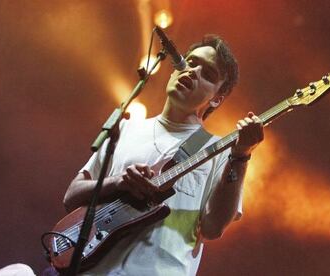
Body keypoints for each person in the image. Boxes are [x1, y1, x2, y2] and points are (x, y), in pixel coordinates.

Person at [63, 35, 264, 275]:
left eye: (208, 75)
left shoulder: (220, 150)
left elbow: (212, 228)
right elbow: (72, 197)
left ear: (216, 99)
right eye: (190, 62)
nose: (192, 71)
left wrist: (241, 156)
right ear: (172, 72)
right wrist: (118, 183)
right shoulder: (127, 128)